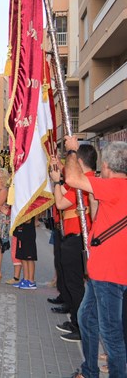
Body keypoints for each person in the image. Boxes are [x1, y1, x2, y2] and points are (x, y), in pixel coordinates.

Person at [62, 137, 127, 378]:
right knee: (87, 318)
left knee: (111, 335)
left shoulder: (116, 186)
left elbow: (72, 179)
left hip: (109, 273)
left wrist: (71, 151)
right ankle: (89, 370)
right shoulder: (117, 190)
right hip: (105, 270)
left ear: (108, 165)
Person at [49, 144, 97, 343]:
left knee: (76, 285)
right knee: (72, 283)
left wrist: (58, 181)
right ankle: (75, 321)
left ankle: (80, 326)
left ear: (78, 162)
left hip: (78, 238)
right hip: (73, 236)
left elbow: (60, 203)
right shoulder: (83, 182)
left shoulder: (86, 183)